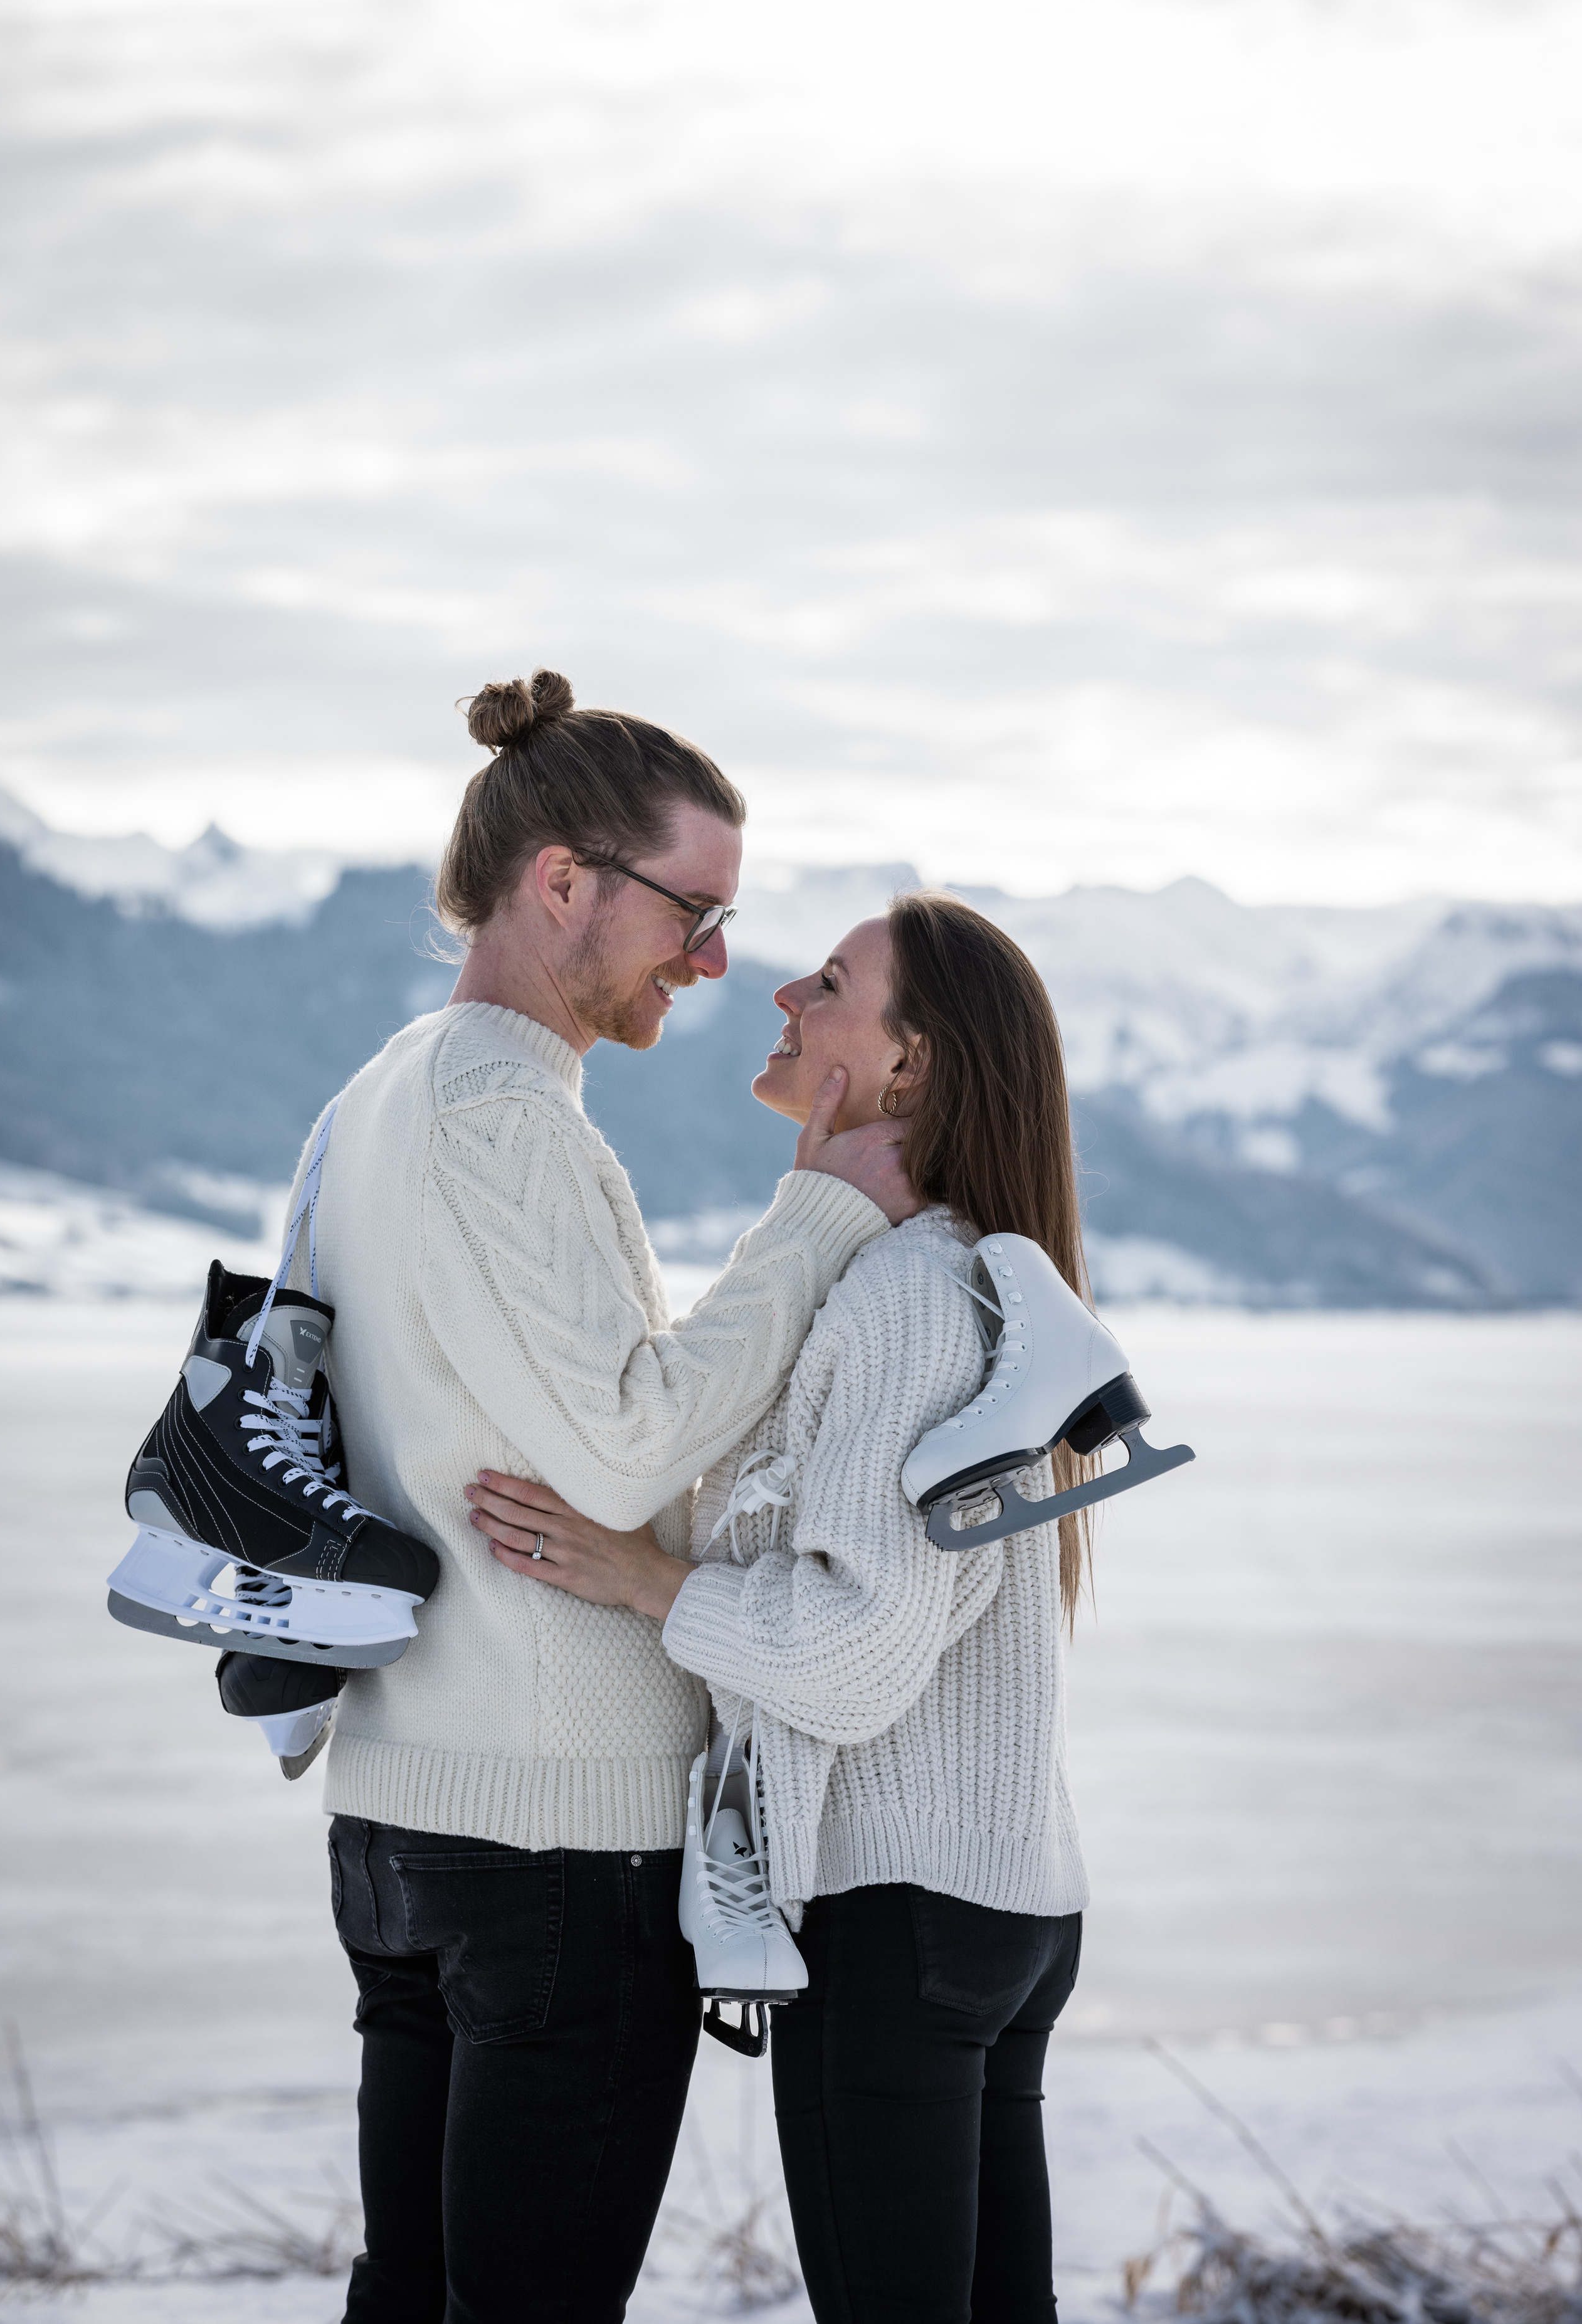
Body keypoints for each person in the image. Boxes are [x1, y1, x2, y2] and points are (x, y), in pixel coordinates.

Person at [283, 670, 917, 2324]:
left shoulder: (378, 1092)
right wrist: (816, 1221)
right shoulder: (499, 1104)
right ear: (562, 877)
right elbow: (628, 1448)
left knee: (415, 2292)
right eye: (693, 912)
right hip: (553, 1832)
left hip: (407, 1809)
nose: (715, 963)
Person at [468, 888, 1094, 2324]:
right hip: (993, 1903)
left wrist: (642, 1577)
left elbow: (857, 1649)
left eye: (825, 982)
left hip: (897, 1907)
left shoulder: (900, 1300)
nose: (776, 996)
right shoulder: (967, 1281)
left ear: (908, 1064)